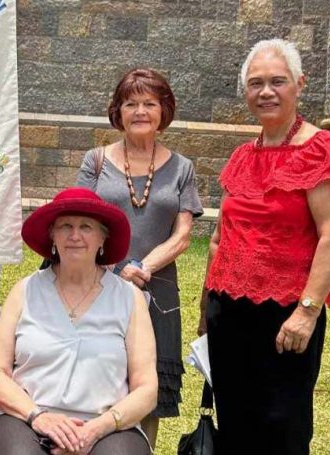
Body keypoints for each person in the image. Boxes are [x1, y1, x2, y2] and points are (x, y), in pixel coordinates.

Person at [201, 39, 330, 455]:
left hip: (286, 315)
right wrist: (205, 310)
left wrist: (306, 313)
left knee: (281, 427)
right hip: (227, 312)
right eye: (255, 84)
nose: (265, 92)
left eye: (277, 81)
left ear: (299, 84)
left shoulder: (320, 149)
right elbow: (220, 238)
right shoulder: (242, 156)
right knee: (233, 420)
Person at [76, 67, 202, 445]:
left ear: (164, 110)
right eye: (131, 103)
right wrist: (117, 266)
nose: (140, 111)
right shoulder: (95, 160)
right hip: (97, 282)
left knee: (150, 388)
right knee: (95, 377)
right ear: (118, 111)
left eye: (150, 103)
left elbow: (182, 236)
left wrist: (140, 267)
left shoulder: (183, 168)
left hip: (158, 291)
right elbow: (79, 220)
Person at [0, 187, 157, 455]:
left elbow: (146, 388)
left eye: (86, 226)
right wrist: (38, 417)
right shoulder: (25, 291)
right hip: (26, 419)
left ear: (102, 238)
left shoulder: (129, 298)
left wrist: (96, 429)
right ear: (52, 236)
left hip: (107, 425)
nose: (75, 236)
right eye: (65, 226)